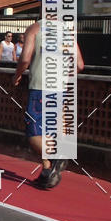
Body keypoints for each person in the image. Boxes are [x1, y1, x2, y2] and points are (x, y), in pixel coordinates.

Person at [13, 20, 84, 189]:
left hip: (40, 87)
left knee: (34, 132)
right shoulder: (68, 31)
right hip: (60, 89)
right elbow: (80, 64)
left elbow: (24, 59)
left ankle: (57, 154)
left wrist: (17, 75)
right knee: (49, 131)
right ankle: (47, 172)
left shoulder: (35, 28)